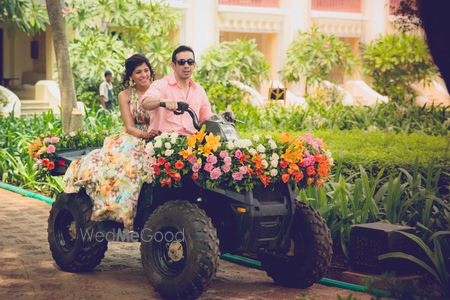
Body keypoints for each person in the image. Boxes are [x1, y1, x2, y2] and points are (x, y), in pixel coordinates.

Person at [64, 54, 159, 230]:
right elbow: (129, 126)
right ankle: (119, 213)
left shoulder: (159, 91)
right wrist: (145, 135)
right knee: (127, 168)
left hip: (159, 135)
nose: (143, 75)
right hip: (136, 136)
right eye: (138, 72)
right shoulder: (125, 95)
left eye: (146, 70)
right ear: (131, 76)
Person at [140, 45, 213, 135]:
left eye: (190, 62)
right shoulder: (161, 85)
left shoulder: (199, 90)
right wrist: (162, 102)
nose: (186, 66)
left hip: (192, 144)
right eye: (181, 62)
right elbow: (145, 103)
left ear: (194, 65)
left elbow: (208, 119)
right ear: (173, 65)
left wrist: (224, 118)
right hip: (164, 143)